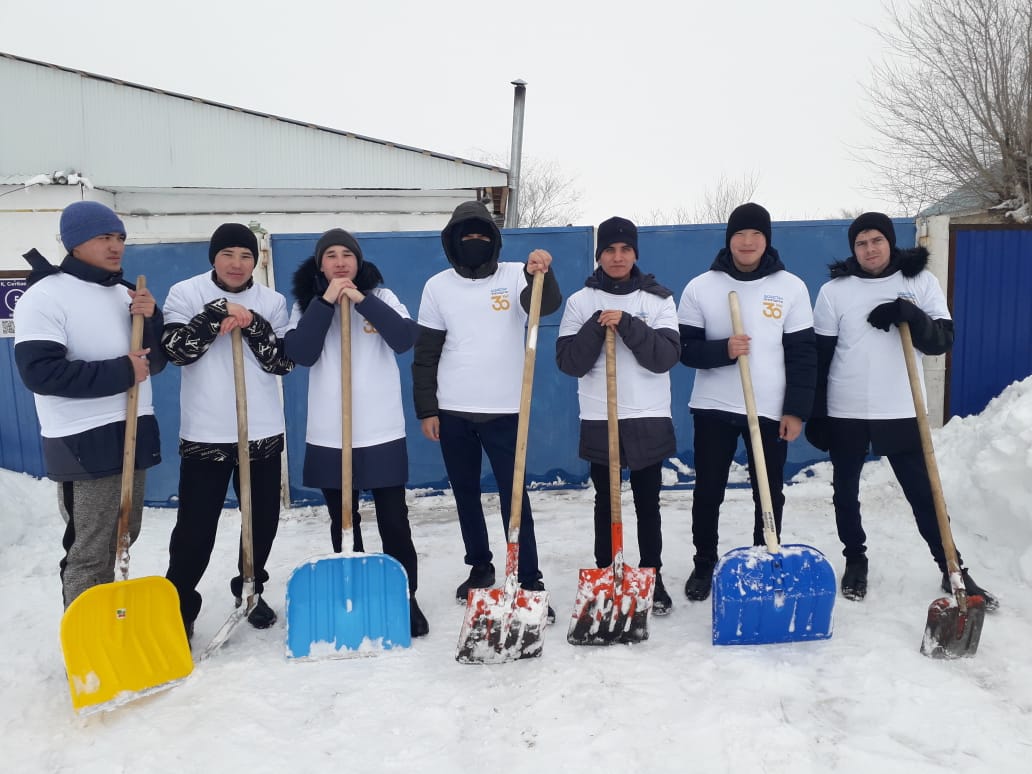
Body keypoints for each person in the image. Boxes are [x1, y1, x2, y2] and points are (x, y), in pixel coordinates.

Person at [807, 212, 998, 607]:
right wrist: (817, 411)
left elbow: (942, 341)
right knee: (845, 491)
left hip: (900, 406)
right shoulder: (835, 291)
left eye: (877, 240)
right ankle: (855, 560)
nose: (870, 249)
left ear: (890, 242)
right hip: (846, 407)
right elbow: (821, 356)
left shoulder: (919, 282)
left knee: (925, 494)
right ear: (853, 249)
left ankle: (951, 567)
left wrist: (911, 314)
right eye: (861, 243)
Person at [412, 200, 561, 619]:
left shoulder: (516, 274)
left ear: (494, 241)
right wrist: (427, 409)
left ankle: (528, 579)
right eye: (466, 237)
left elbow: (546, 304)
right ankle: (480, 566)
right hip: (453, 410)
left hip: (506, 410)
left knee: (515, 498)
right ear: (452, 243)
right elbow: (426, 354)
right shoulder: (437, 287)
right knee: (465, 494)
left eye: (481, 235)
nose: (474, 242)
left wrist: (541, 272)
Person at [13, 201, 165, 608]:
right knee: (90, 549)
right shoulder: (45, 296)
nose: (116, 246)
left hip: (133, 426)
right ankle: (85, 637)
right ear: (75, 242)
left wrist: (151, 319)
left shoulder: (125, 293)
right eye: (104, 237)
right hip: (82, 440)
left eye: (120, 238)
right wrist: (122, 370)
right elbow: (41, 374)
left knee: (125, 534)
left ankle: (109, 622)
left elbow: (154, 363)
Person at [284, 228, 428, 637]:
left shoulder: (382, 297)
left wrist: (361, 300)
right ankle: (358, 591)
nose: (340, 262)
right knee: (343, 518)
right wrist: (326, 303)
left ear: (358, 261)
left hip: (380, 430)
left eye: (347, 254)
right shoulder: (307, 306)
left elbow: (404, 338)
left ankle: (404, 594)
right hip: (330, 433)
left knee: (394, 520)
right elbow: (301, 353)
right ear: (320, 264)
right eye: (330, 255)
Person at [677, 202, 816, 601]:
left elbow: (803, 354)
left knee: (768, 492)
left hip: (769, 409)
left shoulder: (791, 287)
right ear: (729, 239)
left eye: (756, 234)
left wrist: (796, 410)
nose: (748, 241)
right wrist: (723, 350)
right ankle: (704, 563)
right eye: (740, 234)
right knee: (708, 491)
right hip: (714, 407)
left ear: (766, 240)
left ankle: (764, 558)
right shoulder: (702, 287)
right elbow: (684, 349)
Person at [161, 223, 293, 640]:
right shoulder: (185, 293)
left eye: (246, 255)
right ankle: (180, 604)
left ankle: (250, 588)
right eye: (228, 254)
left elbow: (282, 362)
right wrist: (217, 311)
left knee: (261, 520)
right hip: (206, 431)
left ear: (256, 260)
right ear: (213, 257)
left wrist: (252, 323)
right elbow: (177, 350)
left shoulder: (272, 301)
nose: (237, 264)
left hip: (261, 429)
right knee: (196, 526)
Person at [556, 216, 679, 615]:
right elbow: (569, 362)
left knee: (648, 501)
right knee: (606, 501)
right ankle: (607, 572)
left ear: (635, 254)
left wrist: (627, 323)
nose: (617, 257)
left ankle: (652, 574)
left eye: (625, 249)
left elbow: (664, 357)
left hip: (647, 413)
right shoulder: (580, 302)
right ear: (599, 255)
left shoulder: (658, 300)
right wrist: (597, 326)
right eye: (609, 249)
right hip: (600, 416)